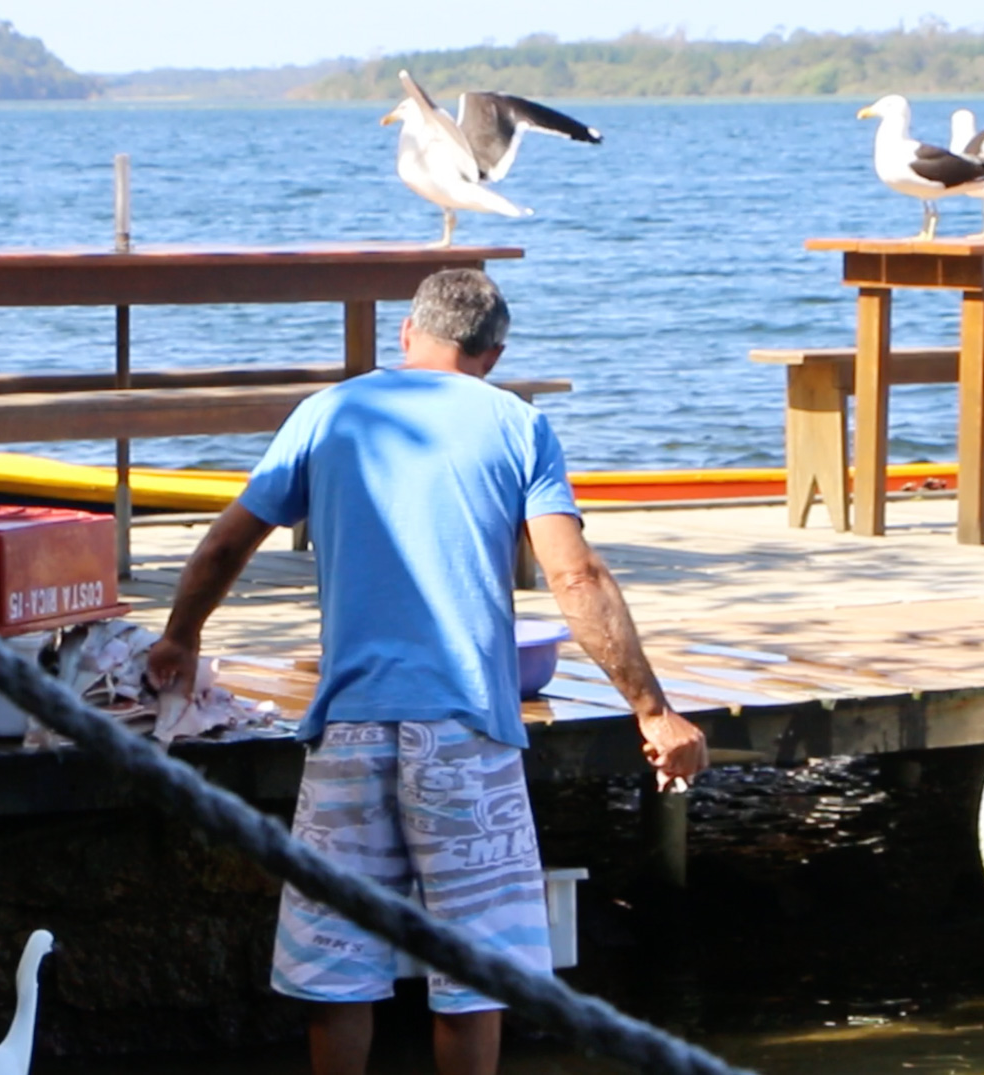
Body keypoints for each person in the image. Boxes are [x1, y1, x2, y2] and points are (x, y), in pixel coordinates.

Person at [147, 268, 707, 1075]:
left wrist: (180, 637)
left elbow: (227, 542)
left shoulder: (326, 412)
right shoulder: (518, 424)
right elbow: (574, 575)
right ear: (492, 353)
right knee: (474, 974)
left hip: (346, 729)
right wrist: (652, 709)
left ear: (407, 334)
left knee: (340, 974)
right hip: (467, 734)